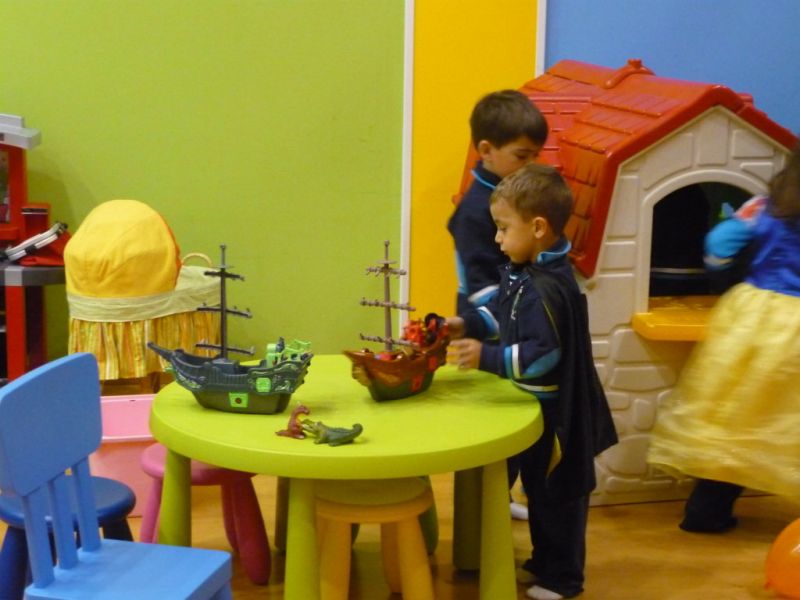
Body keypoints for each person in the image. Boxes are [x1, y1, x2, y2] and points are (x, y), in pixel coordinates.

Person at [447, 163, 618, 600]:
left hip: (556, 416)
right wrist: (466, 324)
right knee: (540, 493)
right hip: (533, 409)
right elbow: (503, 314)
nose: (497, 239)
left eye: (504, 229)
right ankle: (544, 563)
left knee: (558, 497)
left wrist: (486, 357)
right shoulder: (525, 273)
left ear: (538, 228)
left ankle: (563, 579)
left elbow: (543, 356)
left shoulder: (547, 286)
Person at [648, 139, 800, 533]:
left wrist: (723, 275)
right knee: (790, 422)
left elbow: (719, 244)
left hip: (755, 317)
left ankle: (706, 511)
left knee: (733, 419)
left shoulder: (766, 207)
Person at [448, 89, 549, 521]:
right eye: (523, 156)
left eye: (535, 156)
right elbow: (481, 283)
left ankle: (497, 496)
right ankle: (486, 503)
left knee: (515, 408)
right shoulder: (477, 212)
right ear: (487, 150)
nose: (531, 165)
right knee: (496, 413)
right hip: (491, 315)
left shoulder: (510, 194)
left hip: (511, 308)